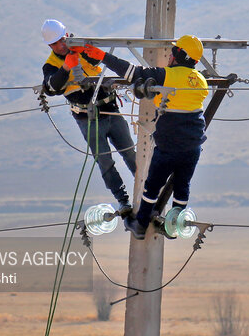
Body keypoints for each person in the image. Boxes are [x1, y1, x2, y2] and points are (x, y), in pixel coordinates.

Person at [82, 35, 208, 239]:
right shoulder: (201, 81)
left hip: (169, 147)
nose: (169, 55)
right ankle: (175, 226)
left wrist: (103, 56)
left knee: (152, 187)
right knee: (182, 186)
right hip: (193, 148)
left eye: (173, 52)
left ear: (178, 55)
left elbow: (132, 73)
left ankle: (140, 225)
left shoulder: (167, 75)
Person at [40, 19, 136, 214]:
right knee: (105, 161)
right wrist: (66, 68)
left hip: (110, 110)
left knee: (129, 152)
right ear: (49, 46)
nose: (60, 46)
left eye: (61, 40)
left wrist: (84, 52)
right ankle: (123, 199)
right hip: (87, 119)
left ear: (66, 36)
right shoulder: (50, 66)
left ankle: (147, 190)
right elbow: (51, 88)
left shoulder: (83, 49)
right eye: (54, 44)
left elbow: (100, 59)